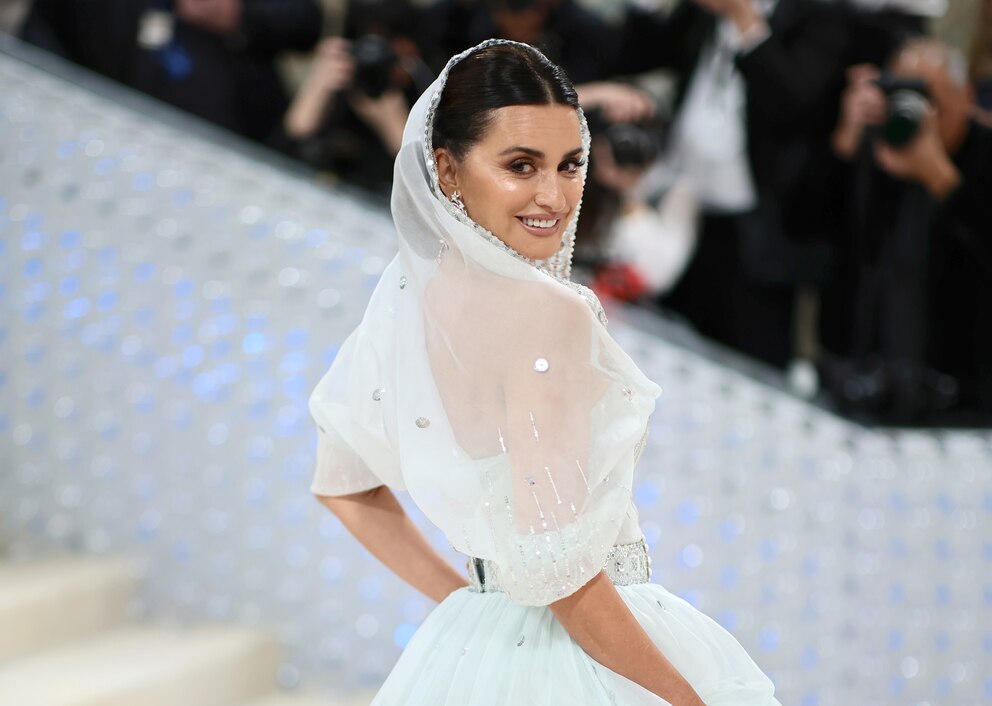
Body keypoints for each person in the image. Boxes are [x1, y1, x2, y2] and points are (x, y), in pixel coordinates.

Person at [309, 39, 782, 705]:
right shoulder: (545, 313)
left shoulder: (410, 300)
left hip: (474, 651)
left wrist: (476, 606)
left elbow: (344, 487)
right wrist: (689, 702)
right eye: (521, 166)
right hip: (581, 661)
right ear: (446, 170)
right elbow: (562, 572)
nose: (554, 195)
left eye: (570, 165)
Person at [615, 0, 848, 369]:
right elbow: (633, 57)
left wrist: (744, 19)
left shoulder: (820, 15)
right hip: (679, 206)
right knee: (659, 353)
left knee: (748, 362)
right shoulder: (703, 11)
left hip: (756, 229)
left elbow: (796, 107)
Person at [820, 37, 992, 423]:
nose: (917, 114)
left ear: (965, 97)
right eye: (903, 94)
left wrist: (940, 178)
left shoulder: (984, 155)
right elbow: (801, 228)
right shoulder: (870, 142)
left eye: (932, 99)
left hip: (957, 399)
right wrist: (844, 140)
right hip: (856, 377)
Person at [19, 0, 321, 144]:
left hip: (250, 149)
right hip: (129, 152)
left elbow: (307, 22)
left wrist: (241, 14)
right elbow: (38, 60)